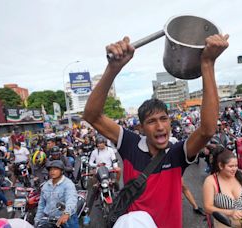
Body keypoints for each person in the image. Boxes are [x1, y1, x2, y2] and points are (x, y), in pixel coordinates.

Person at [83, 34, 229, 228]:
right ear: (141, 128)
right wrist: (113, 68)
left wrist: (208, 63)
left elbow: (208, 129)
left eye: (163, 119)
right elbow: (92, 116)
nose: (160, 127)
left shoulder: (178, 153)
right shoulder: (129, 143)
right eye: (151, 121)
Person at [35, 160, 78, 228]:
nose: (52, 172)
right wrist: (37, 221)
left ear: (62, 171)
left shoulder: (68, 184)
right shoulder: (46, 186)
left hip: (65, 218)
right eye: (51, 170)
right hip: (49, 219)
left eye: (55, 169)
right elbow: (41, 205)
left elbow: (71, 199)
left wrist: (67, 213)